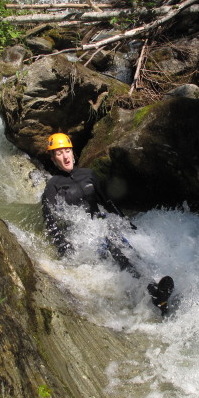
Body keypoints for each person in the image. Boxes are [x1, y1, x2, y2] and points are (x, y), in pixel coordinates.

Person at [42, 133, 174, 315]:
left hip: (100, 227)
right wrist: (64, 248)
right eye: (59, 153)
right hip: (83, 238)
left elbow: (108, 203)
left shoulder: (88, 175)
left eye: (67, 151)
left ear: (72, 152)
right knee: (114, 246)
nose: (65, 157)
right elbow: (50, 222)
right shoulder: (53, 187)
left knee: (126, 247)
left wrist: (125, 221)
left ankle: (155, 289)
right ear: (53, 158)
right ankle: (152, 292)